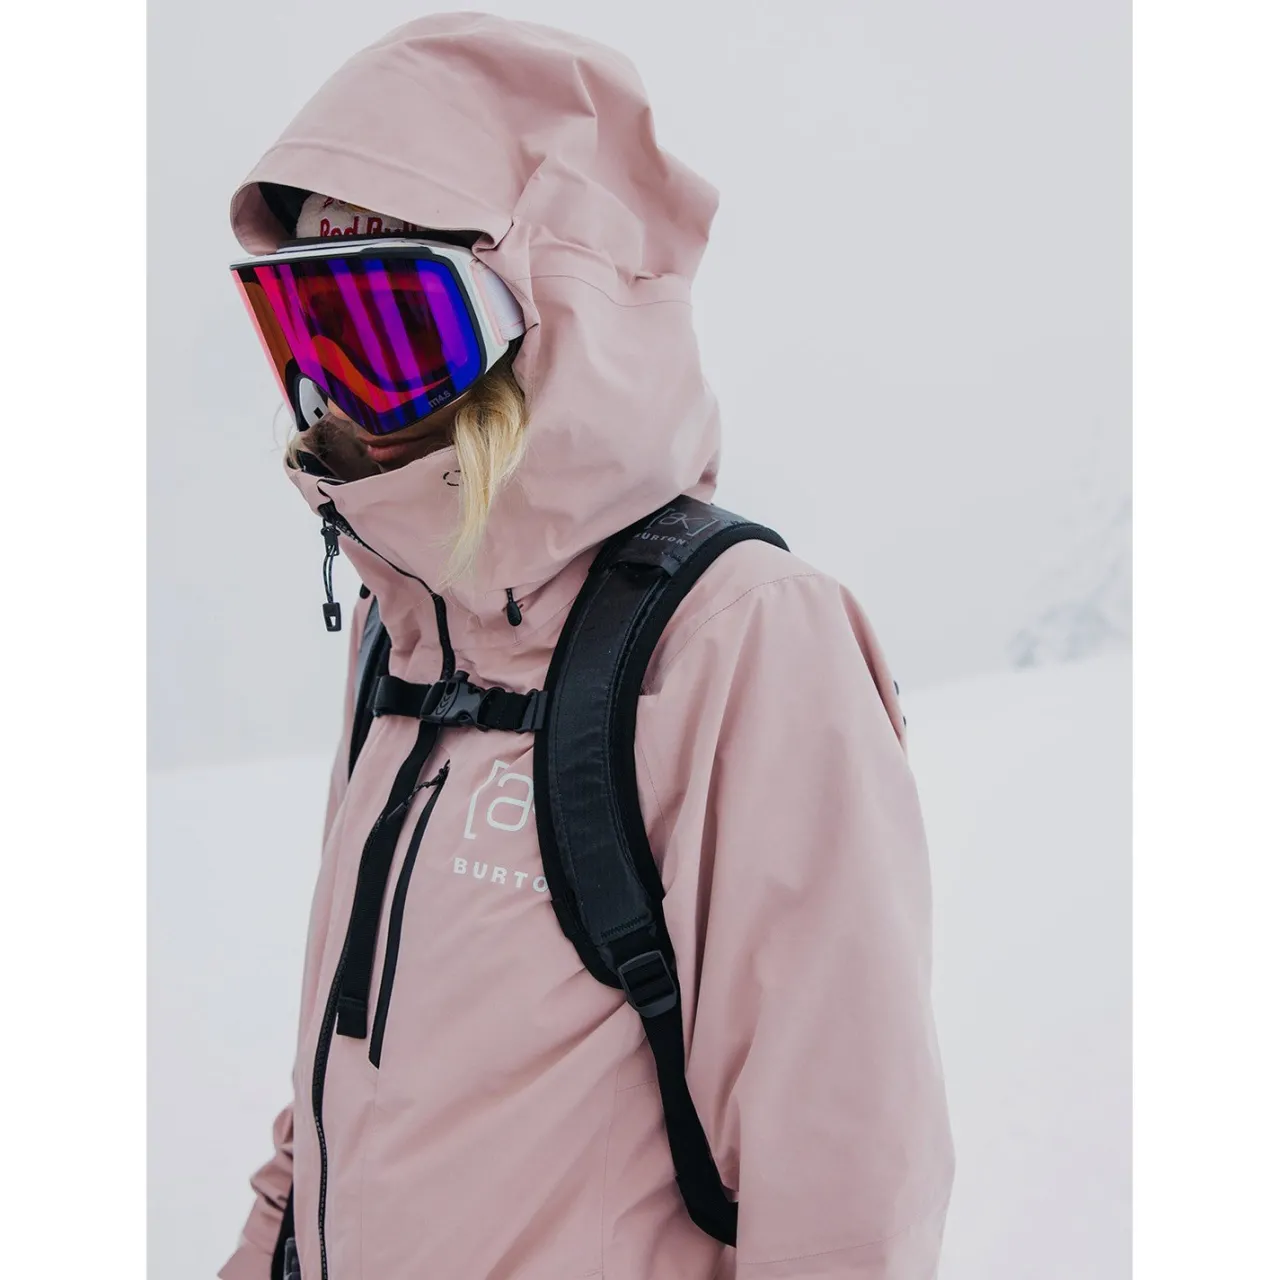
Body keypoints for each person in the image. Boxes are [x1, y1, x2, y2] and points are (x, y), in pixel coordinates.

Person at [219, 13, 954, 1280]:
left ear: (545, 320)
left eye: (386, 333)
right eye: (303, 329)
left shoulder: (735, 640)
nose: (333, 392)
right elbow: (341, 1064)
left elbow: (843, 1182)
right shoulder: (405, 629)